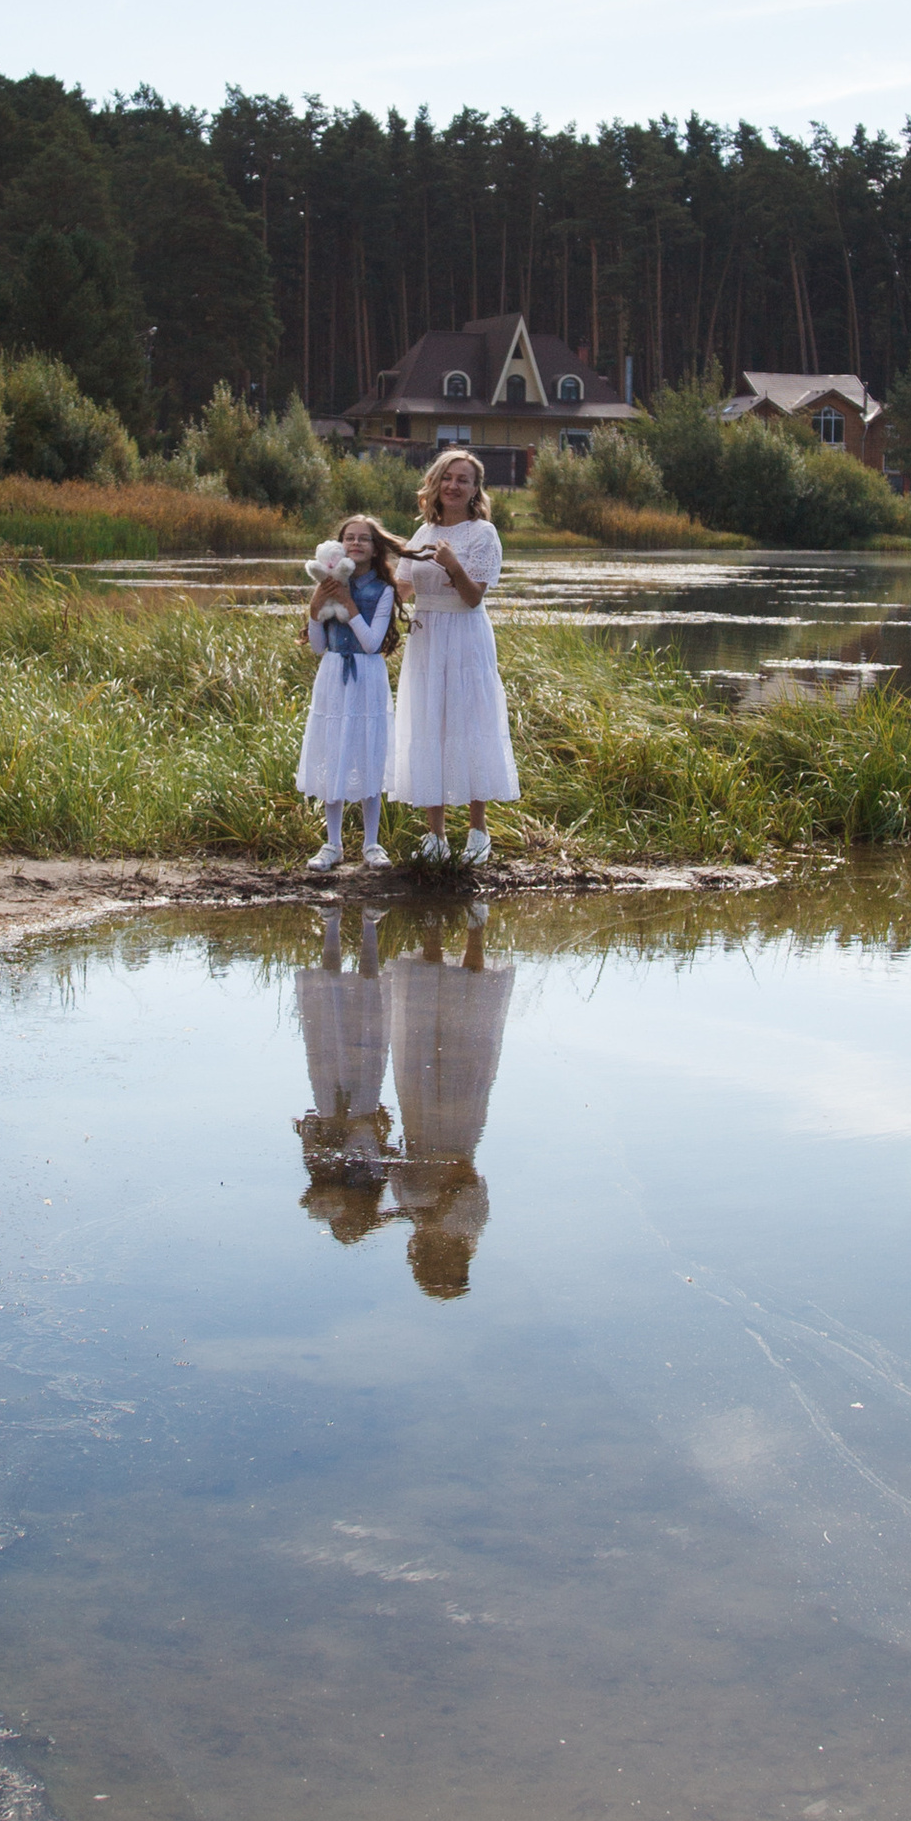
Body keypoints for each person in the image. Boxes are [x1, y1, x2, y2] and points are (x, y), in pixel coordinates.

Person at [391, 449, 519, 861]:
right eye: (447, 477)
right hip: (427, 639)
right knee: (430, 722)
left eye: (463, 479)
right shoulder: (421, 535)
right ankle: (436, 838)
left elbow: (471, 598)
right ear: (434, 483)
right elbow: (399, 591)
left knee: (470, 722)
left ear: (475, 489)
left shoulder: (484, 534)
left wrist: (451, 565)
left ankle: (478, 833)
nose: (453, 485)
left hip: (466, 637)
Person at [388, 901, 514, 1297]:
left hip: (418, 1121)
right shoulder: (472, 1223)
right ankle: (469, 926)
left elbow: (400, 1166)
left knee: (421, 1032)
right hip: (457, 1127)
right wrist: (432, 1212)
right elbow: (464, 1177)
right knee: (468, 1038)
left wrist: (417, 1213)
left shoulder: (412, 1216)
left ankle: (433, 922)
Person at [296, 512, 407, 872]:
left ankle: (372, 844)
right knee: (334, 753)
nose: (355, 543)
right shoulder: (327, 581)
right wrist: (316, 609)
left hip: (367, 675)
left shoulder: (384, 589)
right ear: (339, 545)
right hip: (333, 675)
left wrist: (349, 604)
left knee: (369, 753)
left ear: (376, 549)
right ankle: (333, 844)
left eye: (364, 539)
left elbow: (374, 644)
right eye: (349, 538)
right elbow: (317, 647)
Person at [294, 902, 397, 1244]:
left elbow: (310, 1131)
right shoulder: (375, 1178)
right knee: (367, 1013)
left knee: (329, 1012)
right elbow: (384, 1141)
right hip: (364, 1101)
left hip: (330, 1101)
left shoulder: (322, 1172)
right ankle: (369, 927)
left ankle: (333, 927)